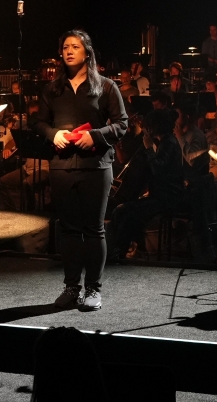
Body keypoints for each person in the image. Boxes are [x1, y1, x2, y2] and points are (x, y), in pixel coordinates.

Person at [34, 29, 128, 312]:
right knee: (68, 230)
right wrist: (53, 134)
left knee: (94, 229)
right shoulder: (52, 89)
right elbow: (39, 123)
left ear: (87, 52)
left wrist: (96, 136)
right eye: (65, 47)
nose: (69, 51)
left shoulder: (106, 87)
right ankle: (72, 287)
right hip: (62, 166)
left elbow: (122, 124)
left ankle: (93, 289)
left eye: (75, 46)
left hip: (95, 166)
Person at [111, 108, 186, 259]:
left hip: (168, 198)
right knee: (128, 211)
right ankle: (135, 248)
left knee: (125, 211)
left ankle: (118, 252)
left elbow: (158, 169)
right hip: (163, 195)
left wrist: (148, 148)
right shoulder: (166, 141)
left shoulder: (169, 143)